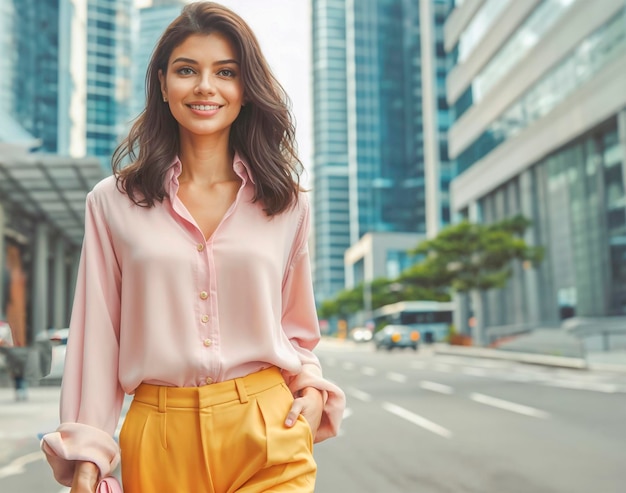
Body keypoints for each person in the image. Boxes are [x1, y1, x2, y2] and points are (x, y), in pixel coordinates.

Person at [40, 2, 345, 492]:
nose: (206, 86)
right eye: (187, 70)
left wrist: (309, 386)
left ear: (245, 89)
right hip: (159, 437)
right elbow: (99, 338)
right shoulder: (112, 202)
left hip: (269, 426)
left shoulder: (284, 204)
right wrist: (90, 456)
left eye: (226, 72)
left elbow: (295, 327)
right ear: (162, 84)